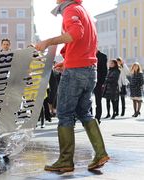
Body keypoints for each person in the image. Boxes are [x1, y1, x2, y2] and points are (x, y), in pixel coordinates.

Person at [35, 0, 109, 172]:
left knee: (65, 114)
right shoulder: (83, 10)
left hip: (76, 71)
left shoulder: (70, 9)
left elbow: (76, 33)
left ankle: (66, 160)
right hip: (90, 69)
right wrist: (66, 61)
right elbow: (84, 43)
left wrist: (48, 42)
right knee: (84, 112)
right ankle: (100, 153)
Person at [93, 50, 107, 123]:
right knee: (86, 101)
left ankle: (97, 118)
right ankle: (89, 118)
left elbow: (104, 71)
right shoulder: (87, 54)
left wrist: (102, 83)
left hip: (98, 82)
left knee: (98, 101)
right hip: (88, 80)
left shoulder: (103, 56)